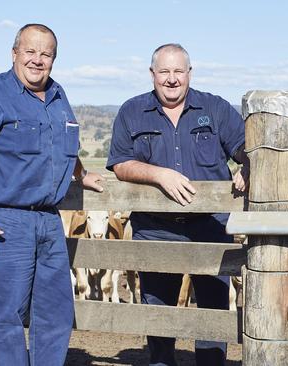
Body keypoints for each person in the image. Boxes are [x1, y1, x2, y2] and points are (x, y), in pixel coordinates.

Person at [0, 23, 104, 365]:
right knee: (5, 317)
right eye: (30, 51)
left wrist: (81, 173)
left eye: (46, 54)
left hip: (49, 221)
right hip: (5, 221)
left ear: (54, 59)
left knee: (55, 315)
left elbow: (61, 141)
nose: (37, 60)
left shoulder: (58, 95)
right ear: (14, 53)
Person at [106, 43, 247, 366]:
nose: (172, 79)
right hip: (156, 229)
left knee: (211, 311)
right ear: (152, 74)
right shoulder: (132, 111)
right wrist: (158, 175)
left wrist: (249, 167)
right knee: (158, 312)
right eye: (165, 71)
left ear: (189, 74)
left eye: (178, 71)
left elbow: (245, 147)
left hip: (210, 226)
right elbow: (120, 164)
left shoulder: (215, 109)